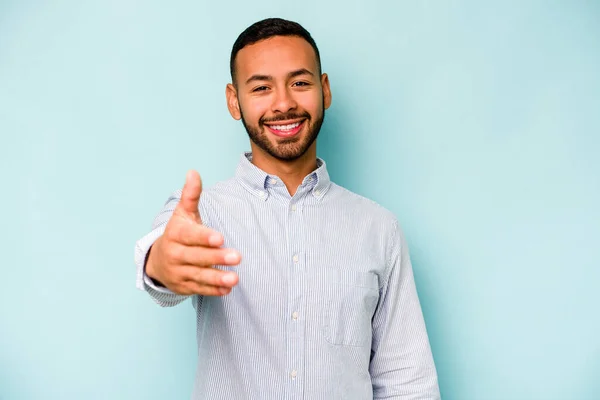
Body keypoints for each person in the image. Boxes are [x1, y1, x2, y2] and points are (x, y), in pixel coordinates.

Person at [134, 17, 440, 400]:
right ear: (234, 100)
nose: (284, 103)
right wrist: (162, 265)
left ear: (324, 90)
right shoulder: (201, 214)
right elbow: (159, 262)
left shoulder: (378, 229)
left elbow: (406, 383)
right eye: (261, 87)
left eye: (299, 83)